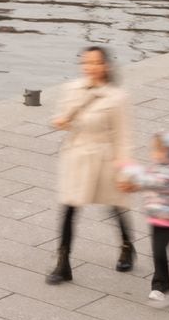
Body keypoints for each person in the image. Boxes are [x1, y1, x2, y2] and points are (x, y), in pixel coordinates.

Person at [47, 44, 137, 284]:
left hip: (104, 158)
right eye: (87, 63)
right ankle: (63, 263)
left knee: (113, 205)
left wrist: (124, 171)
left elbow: (124, 136)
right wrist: (62, 121)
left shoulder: (117, 97)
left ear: (106, 66)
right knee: (69, 207)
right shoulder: (72, 88)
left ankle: (127, 246)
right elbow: (63, 118)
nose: (91, 67)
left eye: (96, 63)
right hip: (76, 156)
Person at [121, 132, 169, 303]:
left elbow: (152, 182)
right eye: (154, 150)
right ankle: (166, 283)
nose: (154, 154)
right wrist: (132, 186)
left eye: (158, 151)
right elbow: (146, 183)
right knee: (159, 252)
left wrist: (129, 169)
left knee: (158, 252)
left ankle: (160, 287)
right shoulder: (156, 167)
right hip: (156, 219)